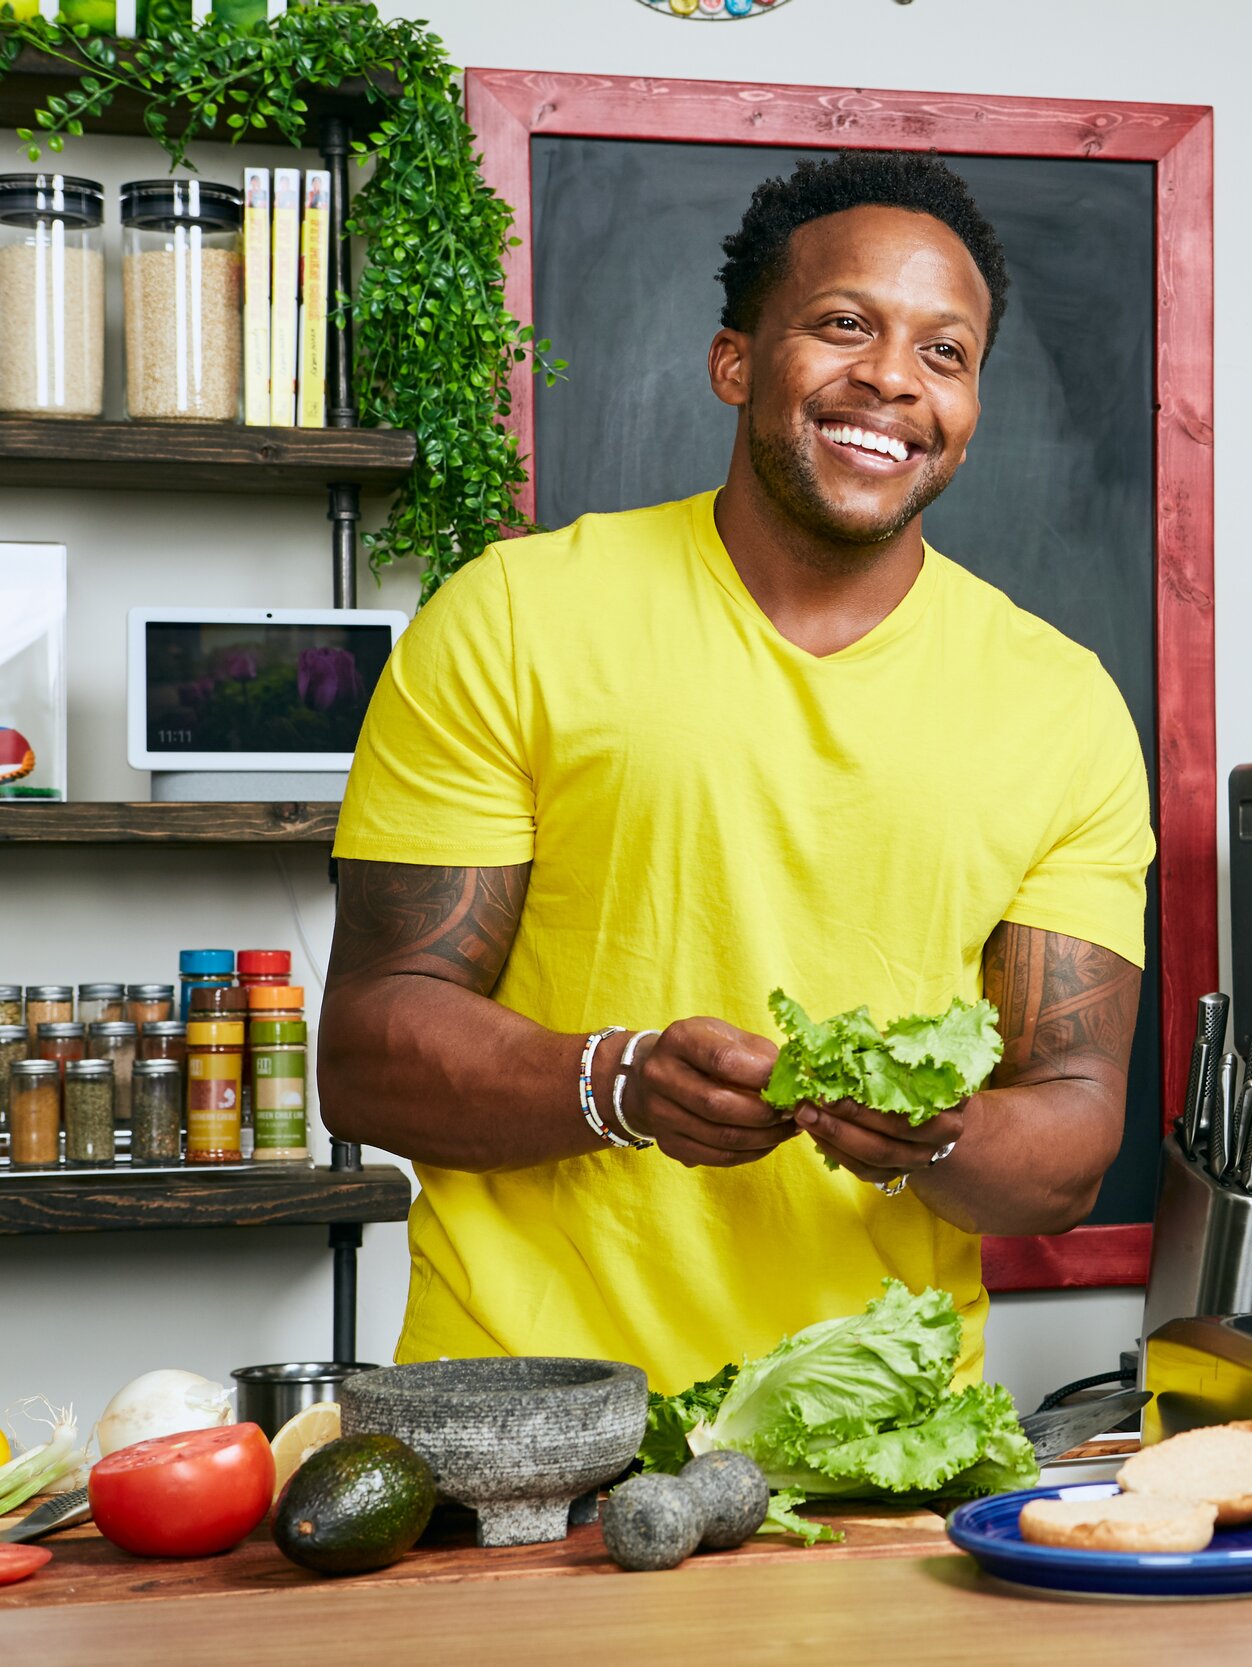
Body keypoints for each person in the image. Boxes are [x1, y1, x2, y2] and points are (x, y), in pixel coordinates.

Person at [320, 153, 1153, 1392]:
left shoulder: (1063, 705)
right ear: (733, 362)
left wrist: (936, 1135)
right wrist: (615, 1082)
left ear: (973, 408)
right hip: (532, 1428)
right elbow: (369, 1049)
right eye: (843, 325)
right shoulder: (513, 618)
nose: (890, 378)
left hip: (869, 1429)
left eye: (945, 352)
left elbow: (1071, 1137)